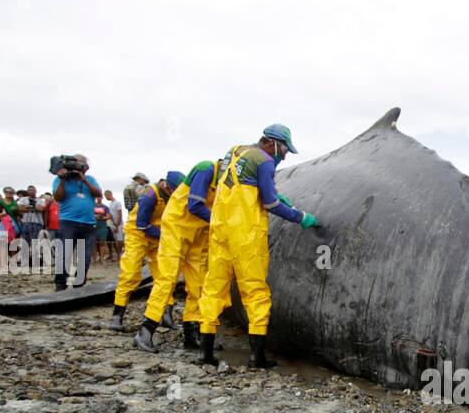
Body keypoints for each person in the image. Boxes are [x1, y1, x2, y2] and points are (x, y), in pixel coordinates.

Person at [195, 125, 319, 369]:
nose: (283, 156)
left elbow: (239, 184)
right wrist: (299, 216)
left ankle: (205, 354)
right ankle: (257, 357)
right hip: (246, 233)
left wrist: (272, 192)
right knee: (255, 291)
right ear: (274, 143)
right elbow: (270, 204)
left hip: (220, 230)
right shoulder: (264, 161)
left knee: (213, 288)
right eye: (284, 150)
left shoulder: (235, 151)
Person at [136, 159, 220, 350]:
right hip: (176, 229)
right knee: (167, 279)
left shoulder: (227, 184)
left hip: (198, 235)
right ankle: (146, 331)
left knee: (197, 284)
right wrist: (220, 221)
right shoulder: (205, 169)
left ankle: (192, 334)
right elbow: (194, 205)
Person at [113, 173, 181, 340]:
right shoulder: (150, 195)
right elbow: (142, 224)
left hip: (158, 238)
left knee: (166, 276)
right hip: (139, 235)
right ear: (167, 187)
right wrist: (166, 235)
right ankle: (117, 316)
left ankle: (167, 316)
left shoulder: (173, 197)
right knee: (130, 275)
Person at [51, 154, 101, 290]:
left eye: (79, 163)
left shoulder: (90, 179)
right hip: (68, 223)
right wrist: (62, 179)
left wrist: (84, 180)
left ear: (86, 166)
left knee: (85, 257)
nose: (76, 166)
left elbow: (98, 194)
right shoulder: (60, 179)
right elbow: (58, 197)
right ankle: (60, 284)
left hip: (88, 224)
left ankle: (79, 284)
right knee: (64, 255)